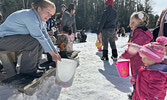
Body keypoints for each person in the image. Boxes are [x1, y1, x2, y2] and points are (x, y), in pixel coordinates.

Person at [0, 0, 61, 78]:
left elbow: (46, 37)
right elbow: (40, 37)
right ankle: (27, 71)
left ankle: (35, 66)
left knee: (36, 40)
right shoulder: (29, 16)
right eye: (48, 12)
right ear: (39, 9)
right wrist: (53, 55)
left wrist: (56, 53)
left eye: (51, 14)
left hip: (11, 39)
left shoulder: (40, 20)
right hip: (2, 40)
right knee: (33, 40)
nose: (49, 16)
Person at [119, 11, 153, 99]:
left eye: (133, 22)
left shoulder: (140, 33)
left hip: (140, 63)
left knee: (139, 81)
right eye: (130, 22)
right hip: (138, 63)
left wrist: (124, 55)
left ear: (140, 23)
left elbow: (134, 48)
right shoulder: (139, 32)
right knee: (137, 81)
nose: (130, 24)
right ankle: (135, 94)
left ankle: (137, 96)